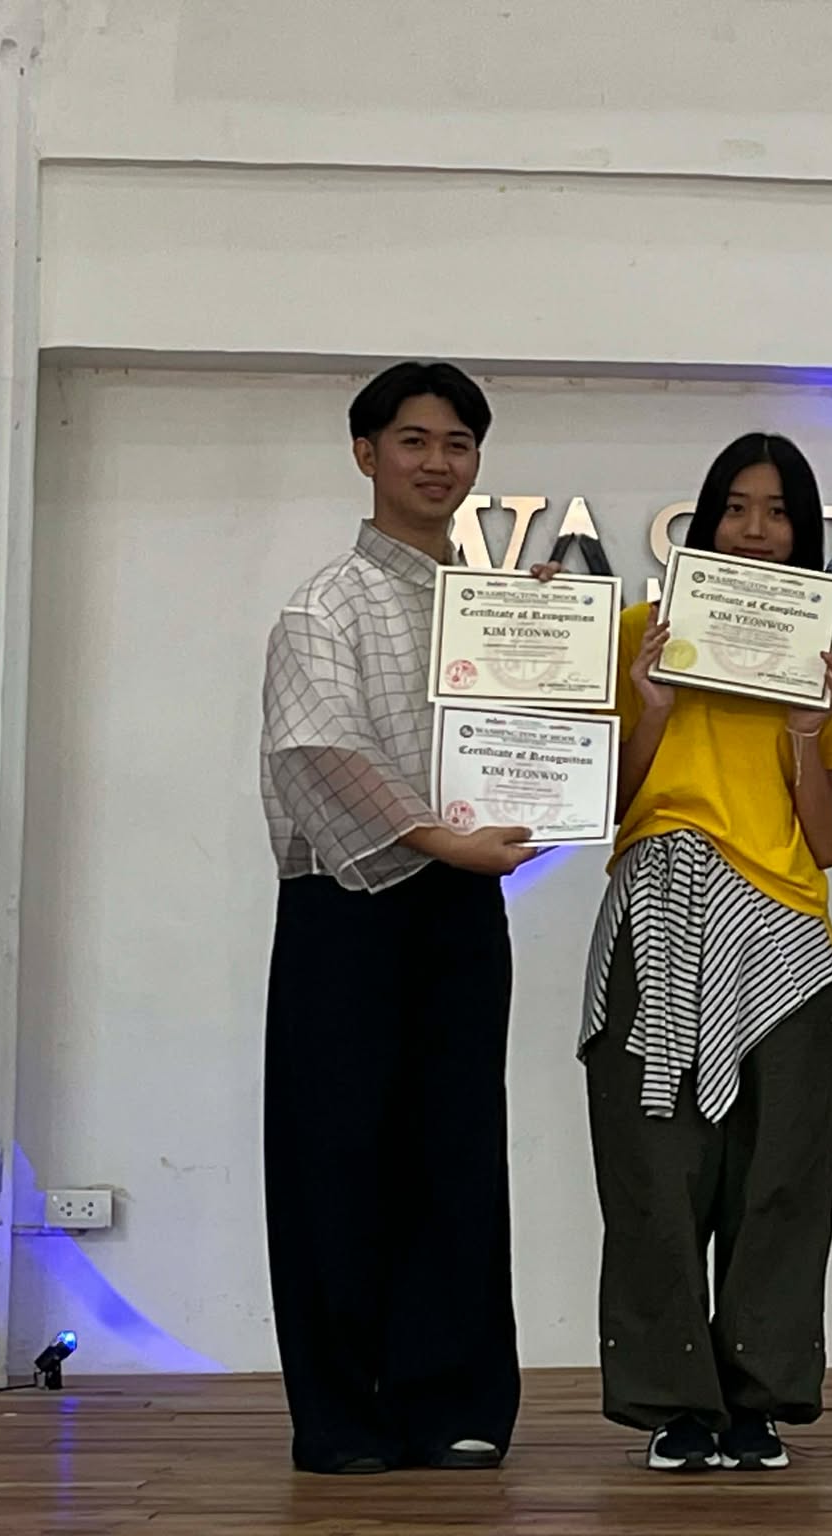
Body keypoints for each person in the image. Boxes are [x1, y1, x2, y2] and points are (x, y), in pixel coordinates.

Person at [258, 361, 536, 1475]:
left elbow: (545, 739)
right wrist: (441, 840)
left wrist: (556, 662)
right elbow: (318, 748)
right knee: (335, 1155)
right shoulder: (325, 603)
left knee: (458, 1149)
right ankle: (342, 1417)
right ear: (365, 453)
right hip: (346, 913)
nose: (437, 462)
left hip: (461, 911)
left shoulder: (502, 611)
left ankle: (455, 1403)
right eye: (414, 440)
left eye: (458, 443)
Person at [570, 432, 832, 1474]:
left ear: (804, 531)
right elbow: (595, 803)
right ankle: (671, 1403)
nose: (754, 530)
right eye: (736, 507)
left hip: (784, 933)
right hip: (654, 907)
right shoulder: (641, 634)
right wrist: (648, 707)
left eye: (777, 512)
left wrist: (806, 729)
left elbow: (826, 840)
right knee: (653, 1171)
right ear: (704, 521)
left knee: (779, 1173)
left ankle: (758, 1401)